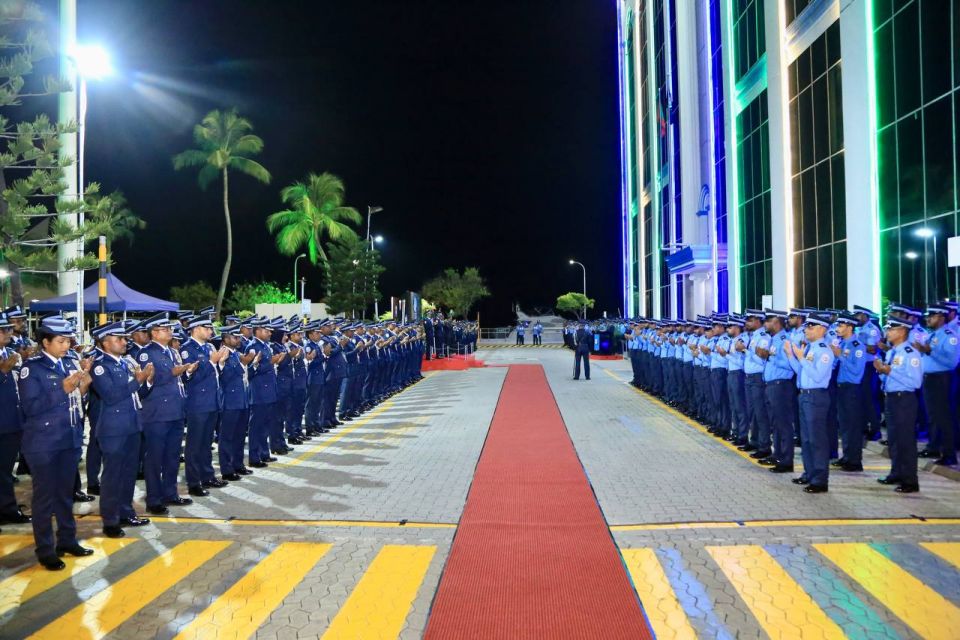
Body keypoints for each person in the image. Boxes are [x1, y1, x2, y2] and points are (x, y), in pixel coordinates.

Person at [17, 316, 94, 570]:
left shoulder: (69, 363)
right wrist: (62, 387)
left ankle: (67, 540)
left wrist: (82, 387)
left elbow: (73, 402)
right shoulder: (33, 368)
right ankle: (45, 549)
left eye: (68, 341)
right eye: (60, 341)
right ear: (45, 342)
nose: (65, 345)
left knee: (65, 495)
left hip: (68, 439)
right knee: (44, 498)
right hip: (44, 443)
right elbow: (31, 407)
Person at [88, 322, 154, 538]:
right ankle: (110, 520)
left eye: (125, 338)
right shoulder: (100, 366)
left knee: (128, 474)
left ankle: (126, 512)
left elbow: (136, 395)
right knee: (112, 476)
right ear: (105, 342)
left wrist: (146, 382)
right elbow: (111, 395)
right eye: (119, 339)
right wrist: (138, 380)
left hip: (132, 425)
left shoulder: (125, 362)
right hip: (113, 429)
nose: (125, 342)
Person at [137, 313, 198, 515]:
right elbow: (149, 380)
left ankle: (170, 493)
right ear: (154, 332)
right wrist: (173, 372)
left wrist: (187, 372)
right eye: (165, 329)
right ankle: (154, 499)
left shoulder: (172, 351)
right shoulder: (147, 353)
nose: (170, 331)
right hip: (157, 413)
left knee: (172, 456)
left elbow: (180, 380)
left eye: (170, 328)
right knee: (154, 458)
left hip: (175, 410)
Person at [784, 313, 835, 492]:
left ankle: (820, 480)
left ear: (821, 329)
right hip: (804, 395)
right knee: (806, 439)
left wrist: (801, 357)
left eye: (810, 327)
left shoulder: (824, 350)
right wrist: (792, 356)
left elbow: (817, 376)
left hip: (816, 396)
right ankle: (809, 473)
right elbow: (800, 371)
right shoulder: (811, 348)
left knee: (817, 440)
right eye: (806, 326)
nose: (806, 329)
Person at [179, 314, 229, 497]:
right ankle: (193, 482)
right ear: (196, 329)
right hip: (197, 403)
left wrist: (220, 364)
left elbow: (215, 375)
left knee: (207, 442)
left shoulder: (209, 347)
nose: (210, 331)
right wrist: (211, 362)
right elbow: (191, 377)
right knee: (194, 444)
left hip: (212, 402)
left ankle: (207, 475)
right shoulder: (187, 350)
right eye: (206, 328)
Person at [874, 317, 923, 493]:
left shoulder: (910, 353)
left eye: (891, 329)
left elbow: (915, 382)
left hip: (904, 400)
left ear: (902, 331)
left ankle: (910, 480)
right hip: (892, 398)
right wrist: (881, 371)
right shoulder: (893, 352)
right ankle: (897, 473)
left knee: (906, 441)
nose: (887, 332)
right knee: (894, 440)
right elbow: (889, 377)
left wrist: (889, 371)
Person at [914, 304, 959, 466]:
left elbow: (952, 361)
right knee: (933, 416)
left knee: (944, 417)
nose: (928, 319)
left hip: (942, 379)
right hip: (930, 379)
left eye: (931, 316)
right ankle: (934, 447)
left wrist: (929, 351)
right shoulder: (933, 335)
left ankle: (949, 454)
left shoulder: (949, 335)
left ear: (941, 317)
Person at [0, 313, 30, 528]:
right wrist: (2, 372)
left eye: (9, 329)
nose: (8, 333)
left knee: (5, 471)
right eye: (3, 330)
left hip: (12, 422)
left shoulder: (11, 353)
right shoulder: (7, 359)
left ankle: (7, 509)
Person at [831, 312, 867, 472]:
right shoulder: (843, 344)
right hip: (842, 388)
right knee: (844, 425)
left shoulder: (857, 346)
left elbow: (856, 371)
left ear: (850, 327)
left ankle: (855, 461)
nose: (838, 328)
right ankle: (846, 456)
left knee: (852, 425)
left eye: (841, 325)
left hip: (852, 389)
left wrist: (841, 357)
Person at [216, 324, 252, 481]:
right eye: (234, 337)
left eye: (238, 336)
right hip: (229, 401)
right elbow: (223, 378)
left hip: (241, 400)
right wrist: (221, 363)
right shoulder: (222, 355)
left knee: (239, 436)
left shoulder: (236, 354)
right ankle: (227, 468)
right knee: (227, 437)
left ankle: (238, 464)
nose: (238, 339)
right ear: (225, 339)